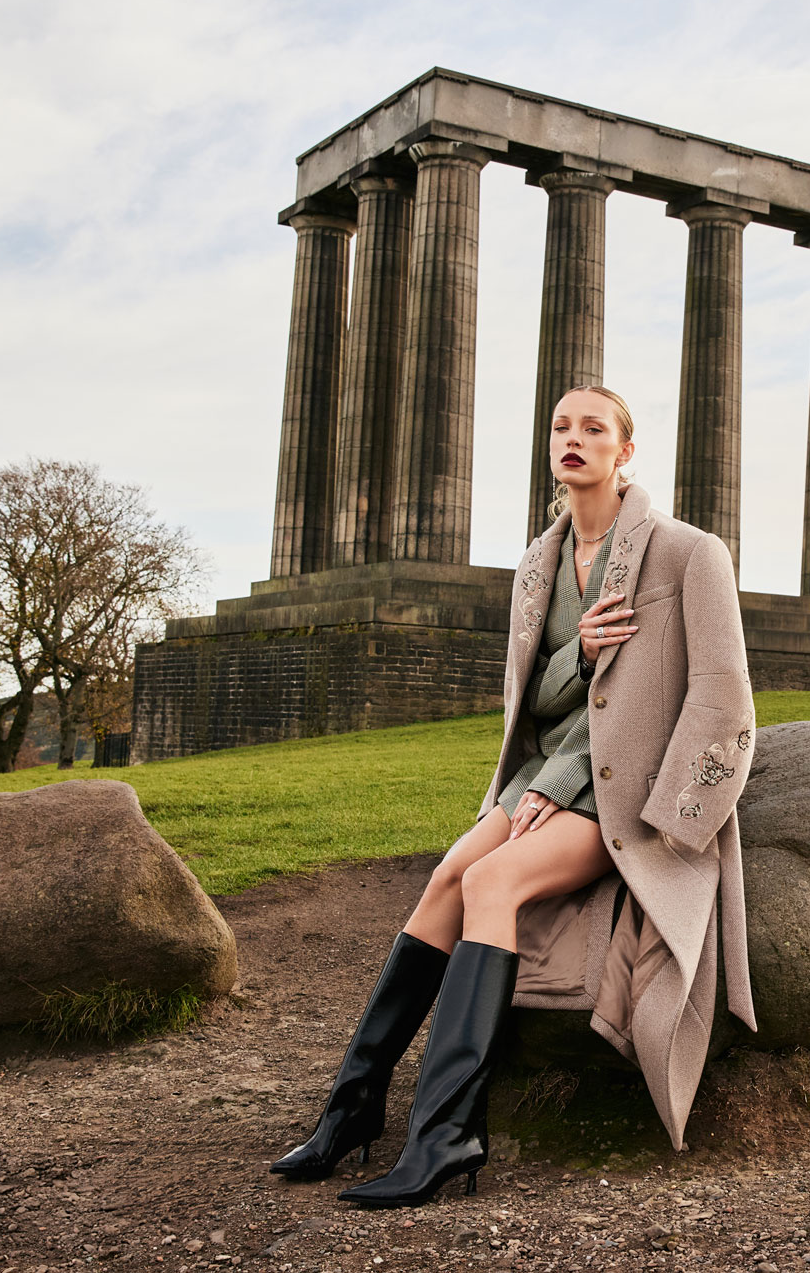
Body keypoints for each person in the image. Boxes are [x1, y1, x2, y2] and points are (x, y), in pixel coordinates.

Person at [268, 383, 758, 1209]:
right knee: (445, 880)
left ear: (624, 451)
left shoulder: (687, 553)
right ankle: (351, 1109)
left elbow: (723, 697)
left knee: (492, 884)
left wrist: (675, 826)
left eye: (592, 428)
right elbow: (531, 705)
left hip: (624, 795)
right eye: (561, 426)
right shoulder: (537, 563)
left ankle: (447, 1134)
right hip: (544, 778)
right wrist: (578, 654)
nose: (573, 438)